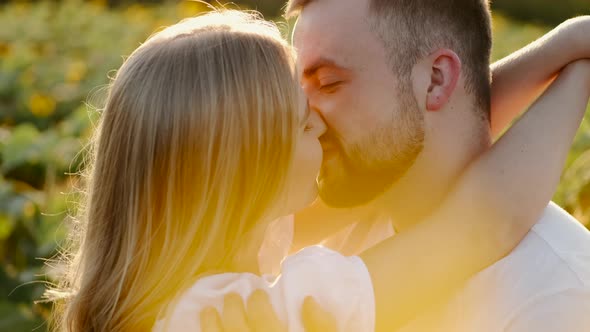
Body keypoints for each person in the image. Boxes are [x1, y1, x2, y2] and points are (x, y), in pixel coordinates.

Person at [44, 8, 589, 332]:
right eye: (304, 122)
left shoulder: (183, 281)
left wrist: (549, 55)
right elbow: (483, 221)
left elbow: (419, 130)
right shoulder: (269, 310)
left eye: (328, 87)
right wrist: (576, 66)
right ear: (251, 173)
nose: (325, 127)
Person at [214, 0, 590, 331]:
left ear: (436, 79)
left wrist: (566, 49)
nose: (306, 117)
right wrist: (568, 51)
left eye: (329, 84)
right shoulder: (320, 239)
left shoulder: (557, 296)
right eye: (300, 91)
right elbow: (485, 222)